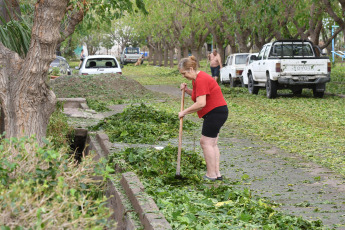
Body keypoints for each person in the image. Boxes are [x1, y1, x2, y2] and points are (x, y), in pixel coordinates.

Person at [178, 55, 228, 181]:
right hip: (217, 111)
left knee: (205, 142)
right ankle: (216, 174)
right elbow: (198, 95)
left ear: (190, 69)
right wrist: (187, 90)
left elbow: (201, 103)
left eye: (184, 74)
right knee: (212, 143)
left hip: (215, 113)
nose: (184, 76)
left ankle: (211, 174)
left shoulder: (201, 79)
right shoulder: (196, 79)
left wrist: (184, 112)